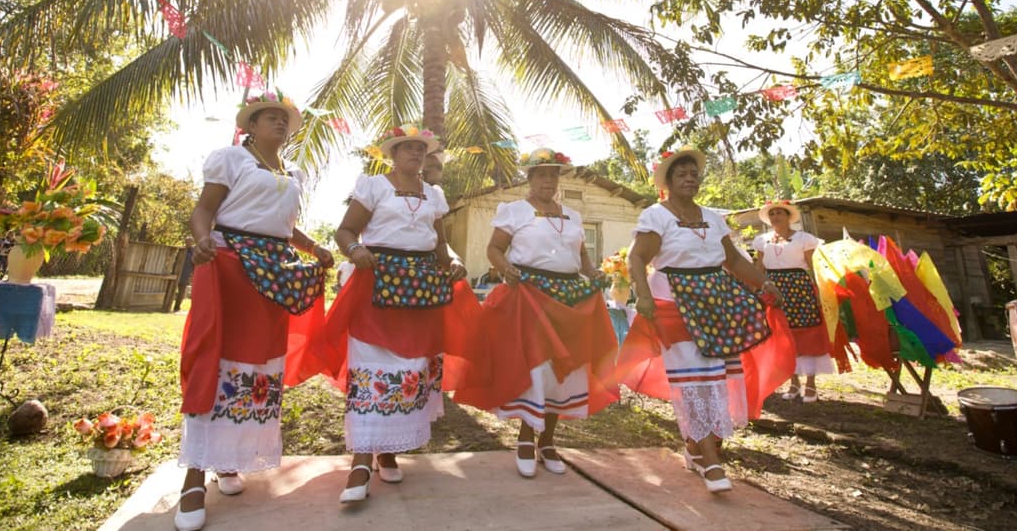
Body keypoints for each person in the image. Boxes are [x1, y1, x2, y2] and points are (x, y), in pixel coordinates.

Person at [175, 91, 334, 531]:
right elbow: (204, 210)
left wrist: (313, 247)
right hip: (228, 264)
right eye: (269, 118)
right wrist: (201, 240)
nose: (279, 124)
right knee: (218, 362)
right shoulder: (231, 159)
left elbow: (281, 226)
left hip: (273, 272)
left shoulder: (291, 171)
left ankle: (229, 462)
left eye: (284, 119)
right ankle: (193, 478)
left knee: (258, 369)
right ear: (251, 126)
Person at [619, 147, 786, 494]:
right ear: (667, 181)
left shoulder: (712, 217)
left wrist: (763, 283)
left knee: (719, 379)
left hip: (717, 301)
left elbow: (734, 261)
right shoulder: (656, 216)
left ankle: (696, 449)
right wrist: (643, 296)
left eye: (693, 173)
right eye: (681, 173)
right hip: (673, 301)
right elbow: (637, 258)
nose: (689, 178)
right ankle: (711, 461)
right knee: (694, 380)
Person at [327, 124, 475, 505]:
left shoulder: (435, 195)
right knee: (372, 368)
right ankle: (361, 462)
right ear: (392, 154)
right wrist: (354, 251)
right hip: (375, 284)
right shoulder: (374, 186)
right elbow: (345, 231)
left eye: (420, 149)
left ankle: (388, 451)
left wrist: (455, 261)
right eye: (407, 148)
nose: (415, 154)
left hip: (421, 289)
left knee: (410, 370)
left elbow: (441, 246)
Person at [454, 147, 617, 478]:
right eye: (541, 173)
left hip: (571, 296)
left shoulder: (571, 215)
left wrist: (593, 273)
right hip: (529, 295)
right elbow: (494, 249)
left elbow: (581, 256)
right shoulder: (514, 211)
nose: (548, 179)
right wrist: (506, 269)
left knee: (565, 369)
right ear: (529, 178)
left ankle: (548, 441)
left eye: (553, 173)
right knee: (539, 367)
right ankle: (526, 438)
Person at [751, 200, 833, 403]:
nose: (776, 217)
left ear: (788, 216)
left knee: (807, 333)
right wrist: (754, 291)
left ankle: (811, 385)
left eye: (780, 213)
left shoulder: (804, 239)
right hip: (773, 287)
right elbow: (759, 267)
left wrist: (820, 291)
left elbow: (813, 266)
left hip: (799, 287)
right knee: (782, 334)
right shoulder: (762, 241)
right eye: (772, 214)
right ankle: (793, 382)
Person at [172, 237, 195, 311]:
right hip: (177, 273)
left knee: (181, 292)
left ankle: (177, 307)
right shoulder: (181, 250)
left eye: (190, 242)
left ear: (192, 243)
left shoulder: (193, 252)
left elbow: (194, 264)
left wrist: (192, 274)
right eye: (187, 241)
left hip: (185, 274)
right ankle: (168, 305)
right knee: (172, 290)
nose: (188, 243)